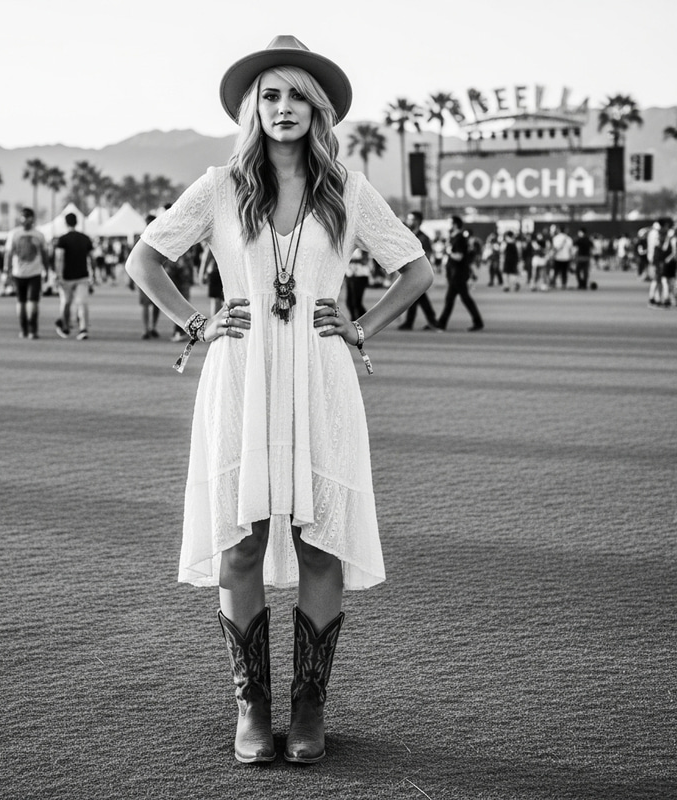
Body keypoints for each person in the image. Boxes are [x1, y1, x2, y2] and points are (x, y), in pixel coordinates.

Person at [125, 35, 433, 765]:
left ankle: (309, 706)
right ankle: (253, 708)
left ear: (318, 109)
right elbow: (145, 258)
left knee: (319, 541)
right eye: (271, 95)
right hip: (240, 376)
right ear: (252, 108)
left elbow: (416, 270)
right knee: (241, 543)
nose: (284, 108)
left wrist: (359, 327)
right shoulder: (220, 186)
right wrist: (197, 321)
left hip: (321, 379)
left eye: (298, 95)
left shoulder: (350, 190)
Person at [4, 207, 48, 338]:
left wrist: (6, 271)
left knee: (21, 302)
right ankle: (32, 330)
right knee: (32, 302)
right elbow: (45, 255)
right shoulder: (39, 235)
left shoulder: (14, 234)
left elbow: (9, 255)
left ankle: (23, 330)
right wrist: (48, 270)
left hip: (18, 273)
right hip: (34, 273)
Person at [436, 215, 484, 332]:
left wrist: (448, 252)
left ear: (455, 224)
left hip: (458, 273)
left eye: (449, 223)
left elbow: (459, 256)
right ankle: (477, 321)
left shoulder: (460, 239)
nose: (447, 226)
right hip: (454, 273)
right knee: (458, 299)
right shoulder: (453, 238)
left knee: (456, 299)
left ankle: (441, 324)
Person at [54, 212, 94, 340]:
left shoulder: (63, 239)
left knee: (65, 303)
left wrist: (58, 275)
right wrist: (93, 274)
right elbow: (92, 258)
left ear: (66, 223)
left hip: (66, 276)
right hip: (82, 275)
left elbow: (59, 258)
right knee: (82, 303)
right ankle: (83, 329)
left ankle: (65, 327)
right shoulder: (85, 238)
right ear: (76, 222)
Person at [398, 211, 439, 330]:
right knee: (417, 297)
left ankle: (417, 322)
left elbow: (429, 255)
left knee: (417, 297)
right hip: (410, 271)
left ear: (418, 221)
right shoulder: (408, 235)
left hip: (419, 272)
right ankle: (429, 321)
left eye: (412, 219)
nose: (409, 221)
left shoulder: (423, 238)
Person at [551, 225, 573, 289]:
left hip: (557, 257)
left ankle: (553, 283)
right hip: (566, 258)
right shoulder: (569, 239)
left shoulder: (556, 238)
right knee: (564, 272)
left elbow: (554, 248)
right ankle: (564, 284)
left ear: (559, 230)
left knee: (556, 271)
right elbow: (570, 249)